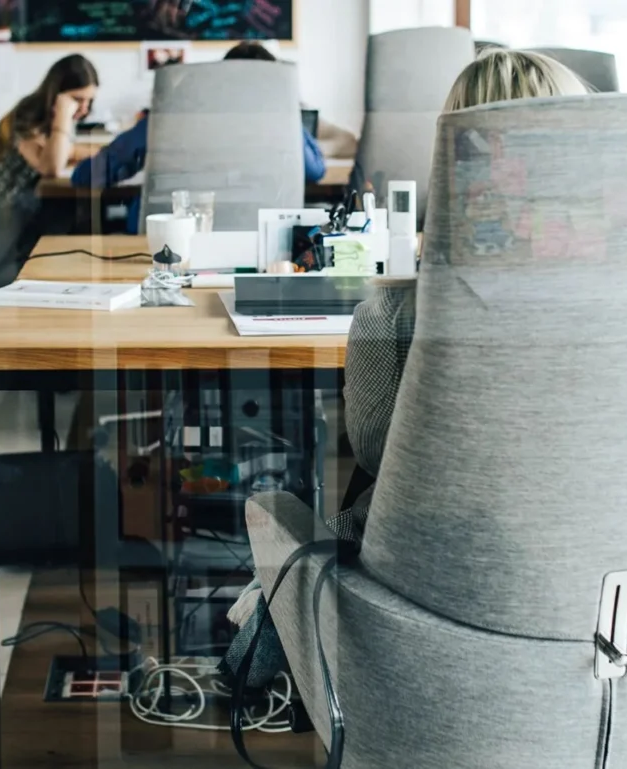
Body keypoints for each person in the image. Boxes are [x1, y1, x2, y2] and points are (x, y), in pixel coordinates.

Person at [220, 49, 589, 687]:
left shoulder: (396, 314)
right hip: (602, 606)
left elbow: (375, 451)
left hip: (427, 608)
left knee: (351, 500)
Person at [70, 41, 326, 234]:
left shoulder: (172, 119)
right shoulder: (281, 124)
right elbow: (315, 170)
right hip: (260, 247)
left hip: (167, 247)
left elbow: (88, 176)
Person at [0, 54, 100, 216]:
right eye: (77, 99)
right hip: (16, 207)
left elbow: (68, 151)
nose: (84, 109)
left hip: (40, 200)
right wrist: (62, 117)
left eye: (89, 101)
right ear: (56, 94)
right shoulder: (26, 115)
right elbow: (51, 168)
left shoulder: (56, 116)